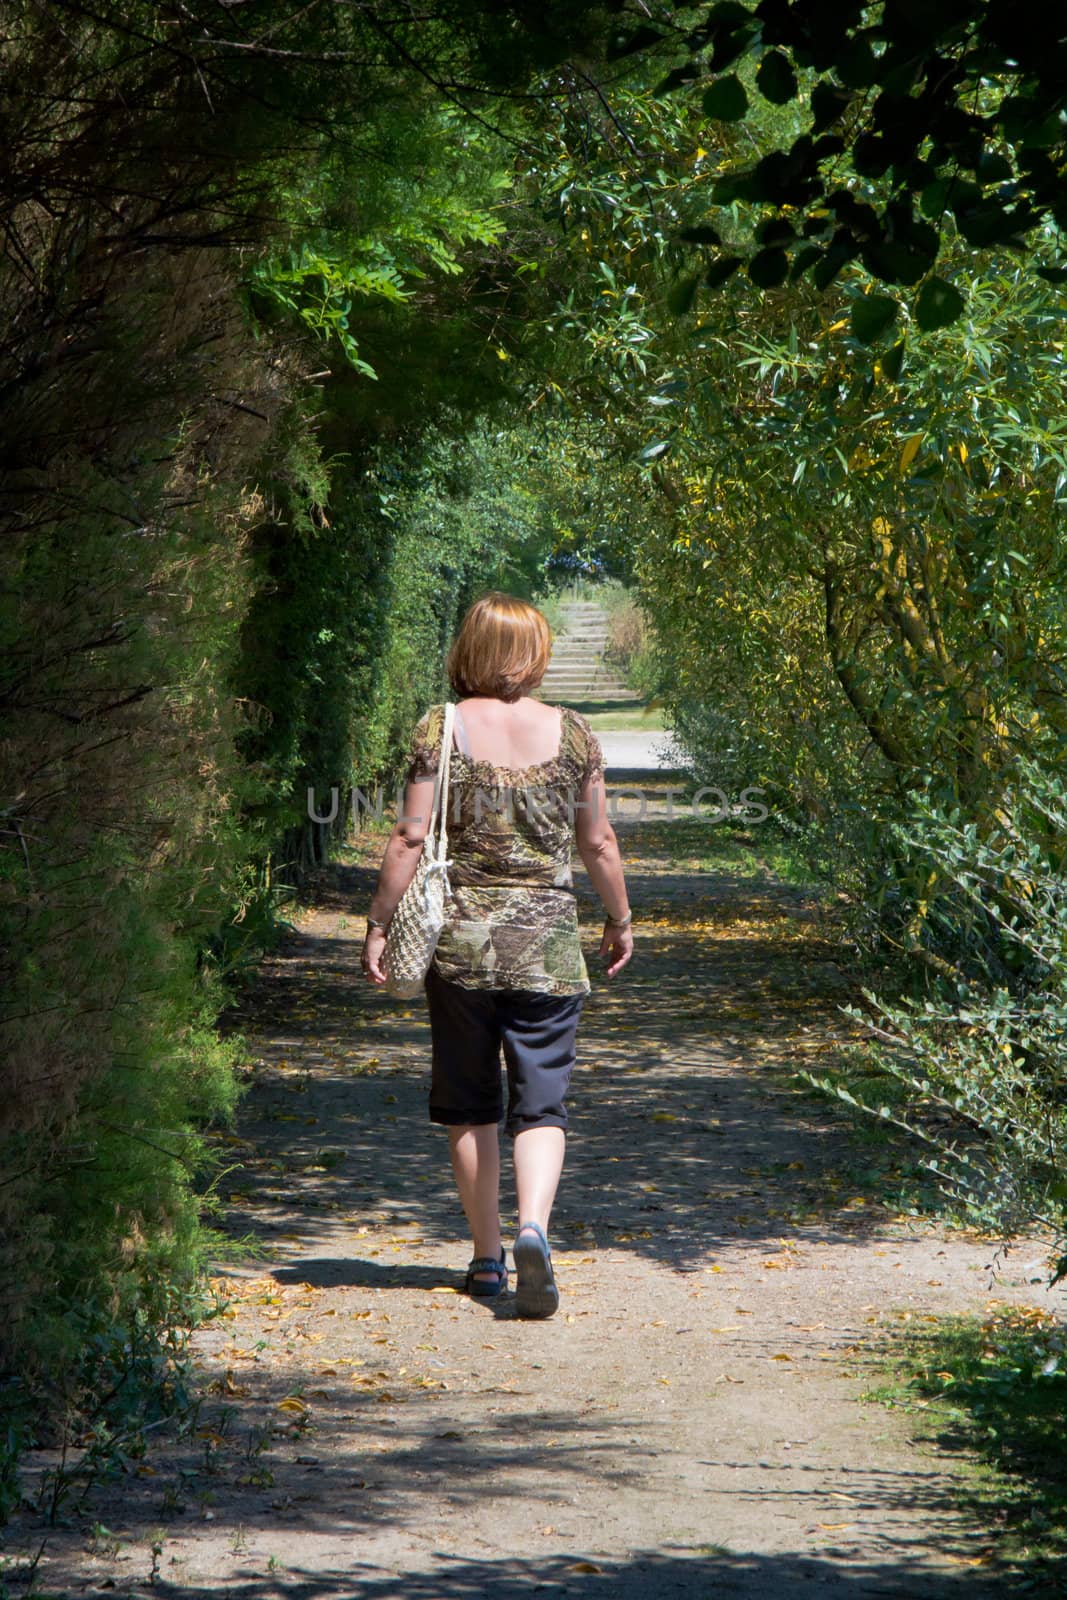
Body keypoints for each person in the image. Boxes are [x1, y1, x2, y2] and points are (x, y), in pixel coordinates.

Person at [361, 592, 633, 1318]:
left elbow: (410, 838)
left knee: (470, 1104)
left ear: (469, 650)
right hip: (546, 947)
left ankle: (486, 1262)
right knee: (542, 1103)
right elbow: (597, 841)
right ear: (534, 651)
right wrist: (619, 918)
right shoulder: (573, 733)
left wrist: (379, 921)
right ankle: (535, 1228)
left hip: (460, 947)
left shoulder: (440, 728)